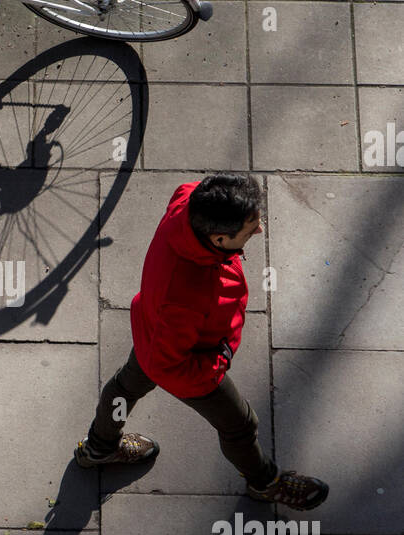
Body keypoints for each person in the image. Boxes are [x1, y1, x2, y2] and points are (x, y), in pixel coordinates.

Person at [75, 172, 328, 511]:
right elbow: (170, 365)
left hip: (151, 328)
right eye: (250, 229)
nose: (260, 230)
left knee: (126, 386)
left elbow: (188, 188)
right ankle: (264, 482)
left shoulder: (189, 200)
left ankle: (99, 448)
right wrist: (219, 360)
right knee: (240, 425)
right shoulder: (187, 295)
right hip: (188, 357)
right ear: (220, 239)